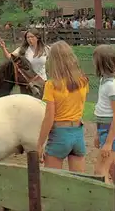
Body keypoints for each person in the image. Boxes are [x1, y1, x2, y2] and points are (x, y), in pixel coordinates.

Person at [37, 40, 89, 172]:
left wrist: (39, 144)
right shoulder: (83, 81)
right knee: (79, 181)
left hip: (59, 134)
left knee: (53, 181)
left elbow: (49, 117)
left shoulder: (52, 85)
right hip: (78, 132)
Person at [92, 45, 115, 184]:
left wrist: (108, 142)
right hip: (104, 128)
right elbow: (103, 109)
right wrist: (97, 134)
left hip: (110, 129)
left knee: (100, 172)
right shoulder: (104, 81)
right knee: (113, 169)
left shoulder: (111, 85)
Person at [0, 29, 48, 97]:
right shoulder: (23, 50)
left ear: (37, 37)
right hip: (28, 84)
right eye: (28, 37)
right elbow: (10, 57)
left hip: (42, 81)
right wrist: (3, 48)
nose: (29, 39)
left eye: (32, 37)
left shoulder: (45, 49)